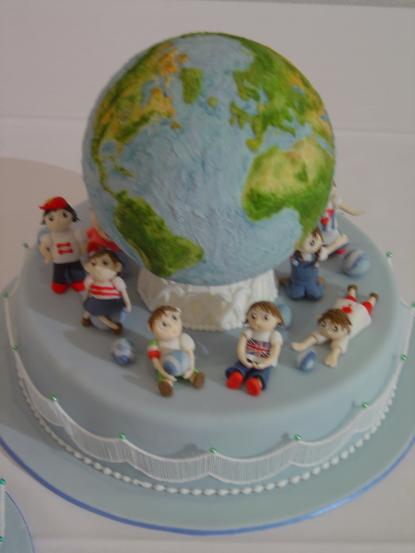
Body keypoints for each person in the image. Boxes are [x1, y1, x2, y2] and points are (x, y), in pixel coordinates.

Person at [291, 284, 378, 367]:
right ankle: (352, 290)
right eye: (324, 324)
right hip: (343, 306)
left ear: (346, 329)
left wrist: (334, 354)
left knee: (366, 306)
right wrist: (304, 344)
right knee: (349, 299)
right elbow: (316, 335)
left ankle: (372, 298)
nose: (328, 331)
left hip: (358, 312)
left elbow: (339, 345)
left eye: (335, 329)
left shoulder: (344, 333)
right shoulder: (325, 326)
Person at [226, 301, 284, 396]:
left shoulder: (274, 335)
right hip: (248, 357)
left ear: (278, 320)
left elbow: (274, 354)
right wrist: (243, 359)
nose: (257, 322)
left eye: (265, 318)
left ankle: (256, 382)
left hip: (264, 361)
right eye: (253, 316)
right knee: (240, 367)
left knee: (262, 373)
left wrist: (265, 364)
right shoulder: (249, 332)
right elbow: (240, 347)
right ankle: (237, 376)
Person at [147, 306, 205, 397]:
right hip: (165, 367)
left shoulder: (183, 338)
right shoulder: (154, 343)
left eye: (174, 318)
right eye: (164, 324)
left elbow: (190, 353)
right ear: (151, 328)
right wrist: (163, 372)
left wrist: (191, 368)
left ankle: (194, 377)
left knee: (191, 371)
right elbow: (155, 361)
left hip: (184, 363)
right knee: (163, 377)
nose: (172, 326)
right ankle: (166, 384)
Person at [281, 228, 347, 301]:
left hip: (311, 281)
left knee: (316, 295)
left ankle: (320, 283)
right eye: (312, 243)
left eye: (314, 242)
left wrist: (341, 240)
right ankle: (287, 282)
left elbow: (331, 247)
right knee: (295, 295)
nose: (317, 245)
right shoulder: (294, 255)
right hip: (297, 281)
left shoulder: (318, 255)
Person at [38, 196, 86, 294]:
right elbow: (43, 248)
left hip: (75, 260)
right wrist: (49, 256)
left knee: (77, 272)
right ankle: (60, 283)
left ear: (71, 215)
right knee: (59, 274)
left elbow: (83, 243)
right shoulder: (49, 237)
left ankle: (78, 281)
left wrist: (82, 251)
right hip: (59, 262)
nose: (58, 221)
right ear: (45, 220)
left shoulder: (75, 233)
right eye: (51, 218)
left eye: (64, 215)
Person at [82, 249, 131, 334]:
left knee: (94, 311)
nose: (97, 267)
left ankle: (113, 325)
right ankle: (114, 326)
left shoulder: (116, 281)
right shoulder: (91, 279)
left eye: (105, 263)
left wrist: (128, 304)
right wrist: (85, 298)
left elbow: (124, 293)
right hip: (96, 301)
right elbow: (87, 290)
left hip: (112, 302)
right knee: (92, 311)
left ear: (117, 267)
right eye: (93, 264)